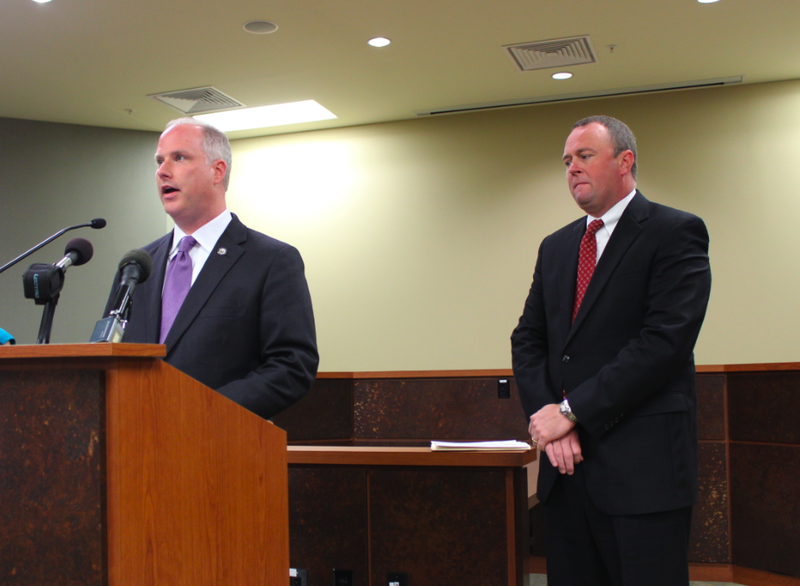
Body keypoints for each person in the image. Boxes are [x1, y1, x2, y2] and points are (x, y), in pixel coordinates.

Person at [511, 115, 711, 586]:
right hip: (566, 473)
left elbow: (664, 343)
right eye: (566, 161)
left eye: (584, 156)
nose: (572, 169)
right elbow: (529, 339)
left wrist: (572, 410)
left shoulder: (675, 232)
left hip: (643, 474)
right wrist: (552, 420)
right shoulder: (556, 247)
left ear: (626, 161)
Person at [103, 118, 318, 420]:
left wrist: (203, 409)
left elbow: (292, 366)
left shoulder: (271, 260)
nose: (163, 171)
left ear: (217, 171)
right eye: (159, 161)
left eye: (179, 158)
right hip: (135, 443)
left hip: (219, 447)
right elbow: (111, 352)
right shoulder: (138, 265)